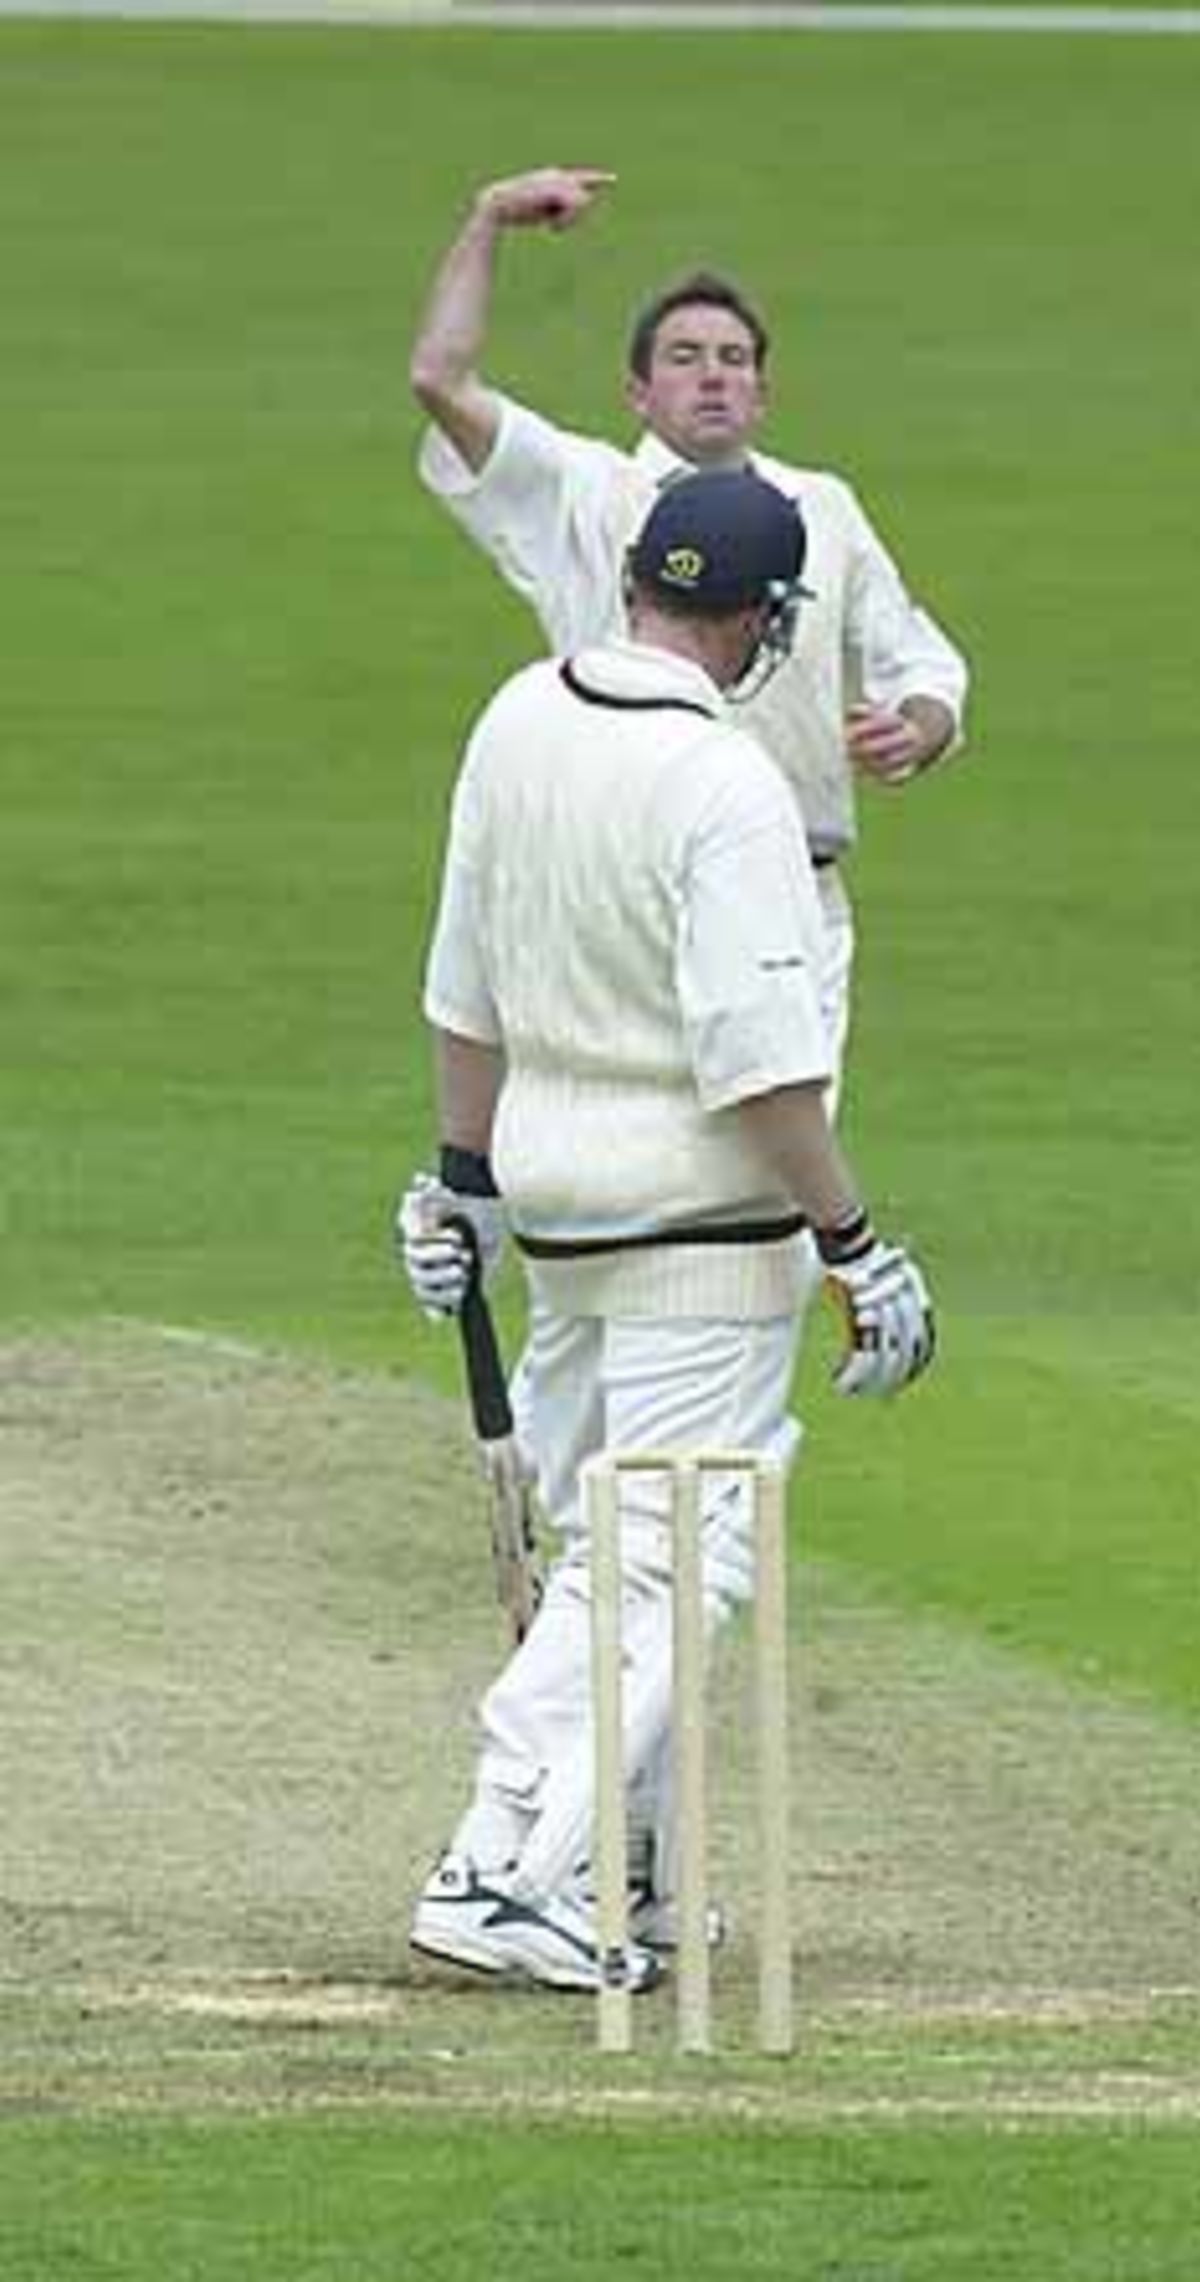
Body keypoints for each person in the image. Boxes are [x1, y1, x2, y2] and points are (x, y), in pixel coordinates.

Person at [406, 163, 970, 1917]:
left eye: (743, 353)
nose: (719, 375)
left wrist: (462, 1176)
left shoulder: (521, 717)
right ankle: (525, 1855)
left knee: (630, 1521)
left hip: (576, 1087)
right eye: (691, 353)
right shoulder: (628, 575)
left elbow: (464, 983)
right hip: (697, 1039)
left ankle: (608, 1849)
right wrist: (855, 1244)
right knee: (671, 1541)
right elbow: (757, 1069)